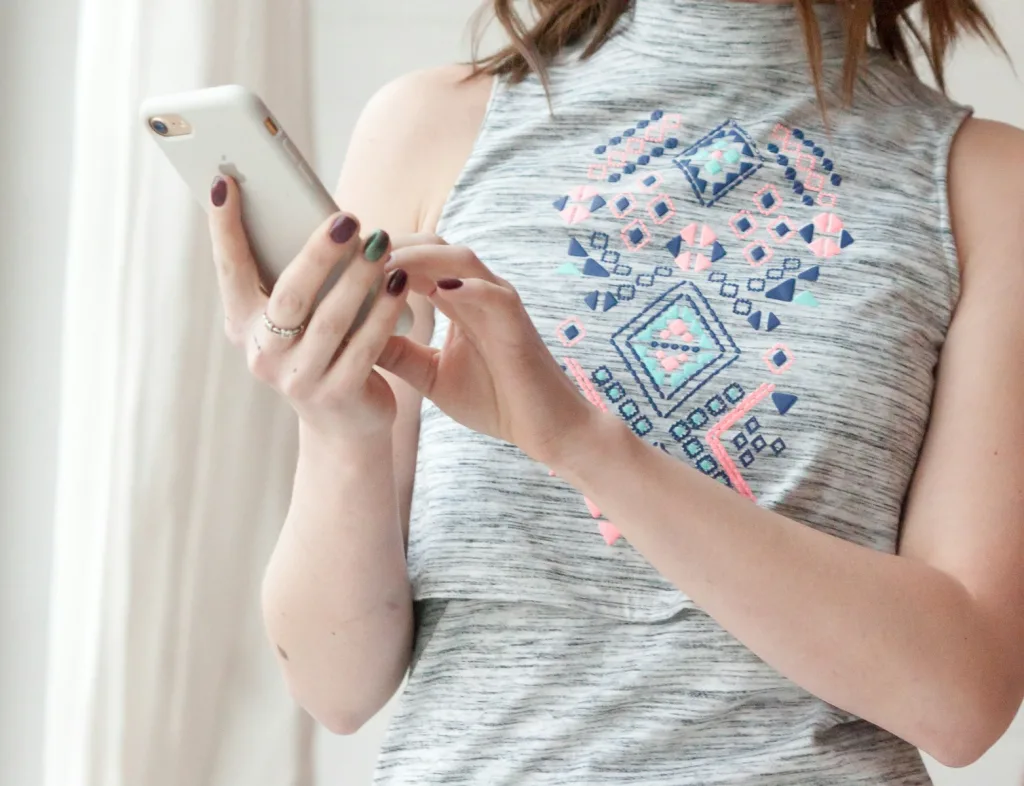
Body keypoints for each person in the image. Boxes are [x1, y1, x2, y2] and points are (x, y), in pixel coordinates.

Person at [206, 0, 1024, 782]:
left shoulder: (987, 186)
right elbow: (334, 686)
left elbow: (961, 700)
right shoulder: (429, 127)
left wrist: (582, 443)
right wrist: (338, 427)